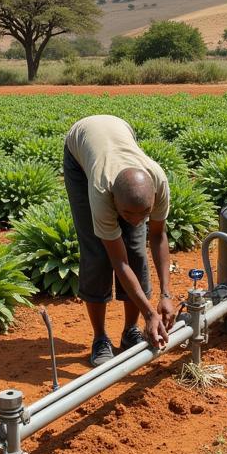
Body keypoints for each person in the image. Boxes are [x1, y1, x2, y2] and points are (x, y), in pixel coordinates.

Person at [64, 115, 175, 367]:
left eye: (143, 214)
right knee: (97, 255)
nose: (136, 221)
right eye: (127, 214)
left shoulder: (158, 184)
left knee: (136, 250)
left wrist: (166, 294)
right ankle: (100, 338)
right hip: (80, 150)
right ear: (114, 200)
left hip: (121, 130)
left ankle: (130, 331)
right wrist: (151, 312)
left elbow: (157, 236)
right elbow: (118, 261)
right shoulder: (101, 190)